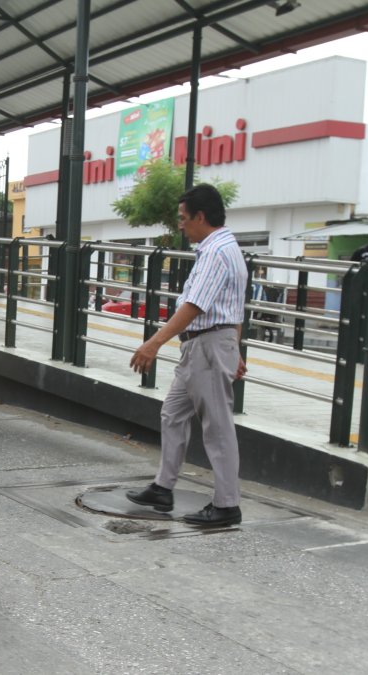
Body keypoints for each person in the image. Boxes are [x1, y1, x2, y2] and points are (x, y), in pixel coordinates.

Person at [125, 184, 249, 527]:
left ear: (200, 216)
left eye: (183, 218)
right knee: (173, 413)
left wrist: (153, 343)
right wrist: (235, 348)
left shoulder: (216, 252)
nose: (180, 225)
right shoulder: (226, 247)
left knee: (217, 427)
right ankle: (163, 487)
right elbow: (235, 307)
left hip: (207, 346)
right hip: (206, 345)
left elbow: (195, 305)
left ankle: (227, 505)